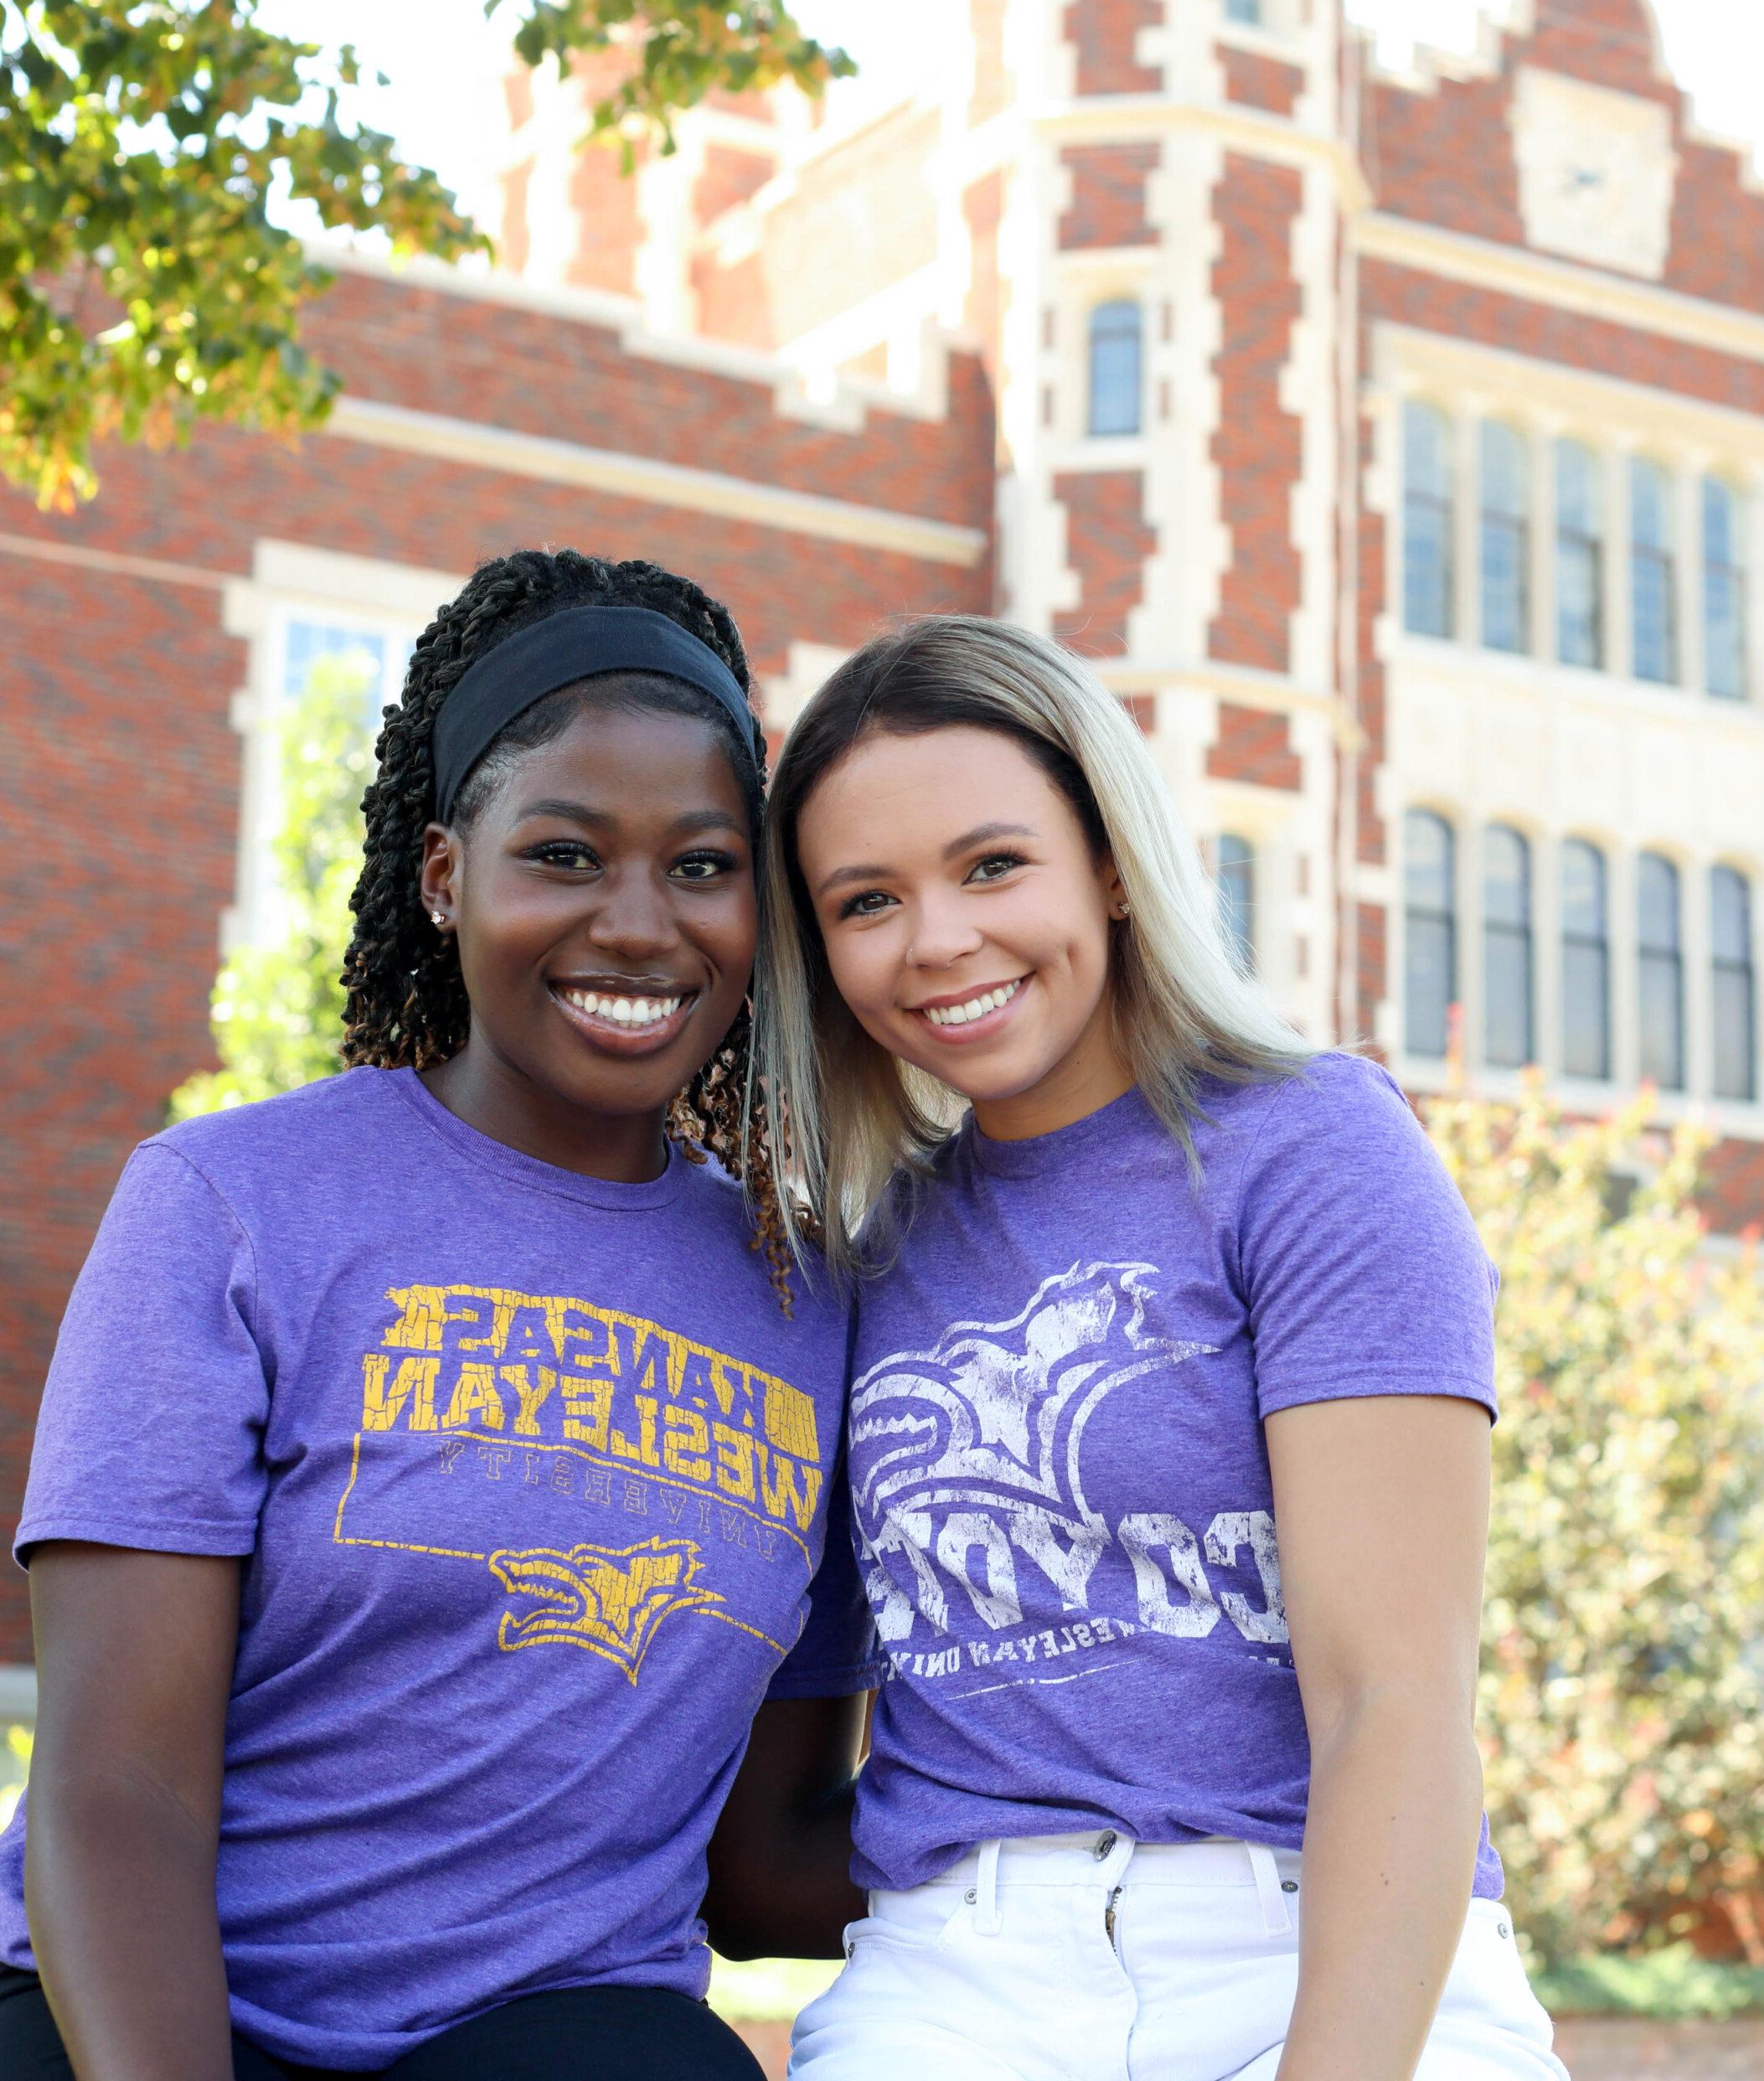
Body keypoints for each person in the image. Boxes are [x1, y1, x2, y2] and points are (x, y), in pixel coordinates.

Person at [0, 550, 872, 2081]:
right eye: (563, 854)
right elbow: (114, 1790)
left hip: (550, 2033)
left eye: (702, 864)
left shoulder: (813, 1302)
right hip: (142, 2017)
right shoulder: (233, 1203)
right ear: (444, 875)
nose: (639, 924)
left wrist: (1183, 1838)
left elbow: (766, 1865)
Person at [751, 615, 1569, 2081]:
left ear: (1115, 866)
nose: (940, 940)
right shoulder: (856, 1265)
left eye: (992, 865)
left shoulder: (1314, 1152)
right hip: (958, 1979)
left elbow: (1399, 1701)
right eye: (867, 900)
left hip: (1315, 1943)